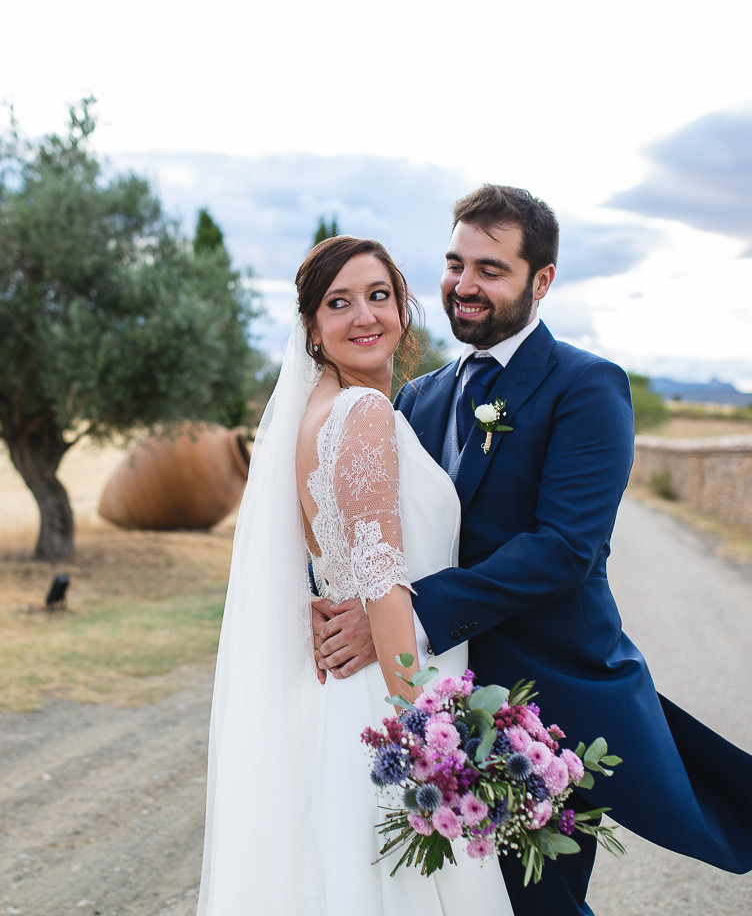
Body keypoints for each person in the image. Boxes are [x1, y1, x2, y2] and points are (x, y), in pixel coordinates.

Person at [312, 185, 752, 916]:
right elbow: (374, 529)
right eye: (455, 264)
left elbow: (564, 549)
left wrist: (411, 615)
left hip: (546, 710)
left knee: (541, 908)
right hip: (431, 699)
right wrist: (344, 604)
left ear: (541, 281)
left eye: (491, 268)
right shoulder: (417, 399)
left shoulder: (586, 387)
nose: (465, 285)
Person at [196, 237, 514, 915]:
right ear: (313, 328)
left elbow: (319, 558)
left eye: (378, 296)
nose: (365, 316)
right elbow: (381, 583)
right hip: (387, 701)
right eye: (338, 303)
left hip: (344, 704)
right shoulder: (362, 413)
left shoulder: (312, 411)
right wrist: (428, 737)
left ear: (403, 307)